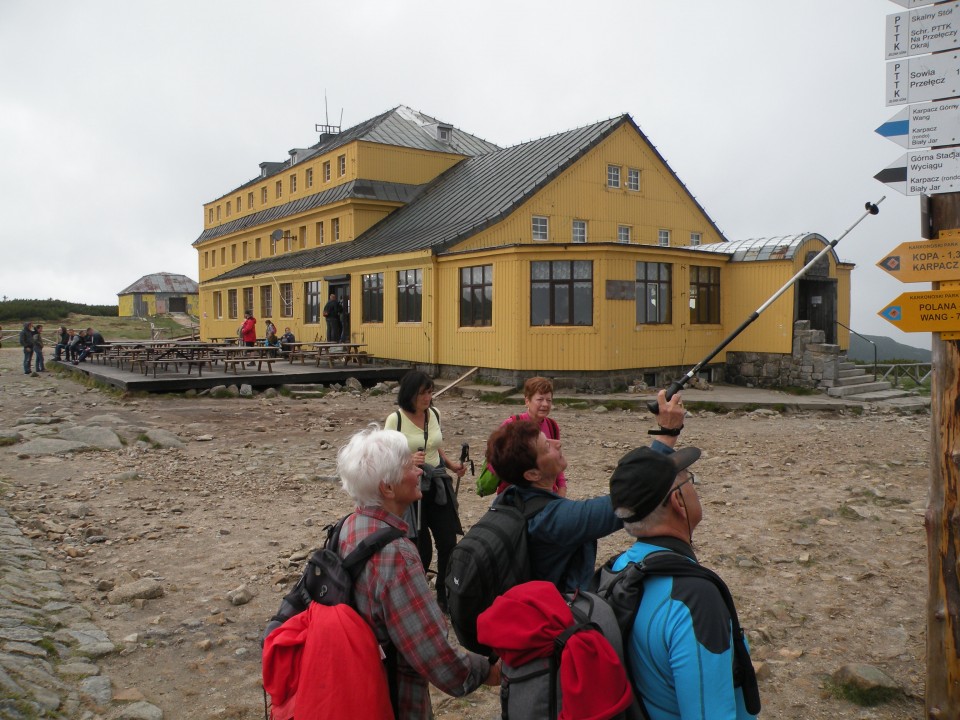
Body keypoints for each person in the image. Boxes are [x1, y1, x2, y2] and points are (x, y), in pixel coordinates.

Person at [336, 425, 500, 718]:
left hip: (356, 686)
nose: (420, 472)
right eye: (409, 466)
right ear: (387, 487)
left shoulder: (348, 526)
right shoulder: (397, 554)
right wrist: (488, 671)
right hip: (393, 698)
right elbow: (433, 652)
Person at [609, 442, 759, 719]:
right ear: (678, 502)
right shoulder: (694, 600)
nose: (695, 487)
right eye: (690, 480)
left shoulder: (618, 569)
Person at [484, 389, 685, 593]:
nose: (558, 443)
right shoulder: (552, 520)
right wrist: (666, 433)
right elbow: (628, 500)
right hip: (555, 617)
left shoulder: (508, 499)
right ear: (533, 474)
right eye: (547, 447)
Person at [384, 370, 466, 612]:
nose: (428, 398)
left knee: (448, 540)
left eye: (430, 392)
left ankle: (443, 592)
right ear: (410, 394)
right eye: (423, 393)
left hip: (437, 485)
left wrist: (451, 465)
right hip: (411, 487)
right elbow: (385, 455)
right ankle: (416, 597)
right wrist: (408, 458)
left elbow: (435, 445)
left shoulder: (434, 414)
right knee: (420, 546)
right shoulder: (395, 420)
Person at [493, 376, 567, 496]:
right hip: (516, 494)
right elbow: (497, 460)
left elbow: (555, 458)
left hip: (547, 492)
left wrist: (562, 486)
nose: (545, 404)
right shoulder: (512, 425)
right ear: (527, 401)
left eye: (549, 400)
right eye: (540, 399)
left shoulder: (552, 425)